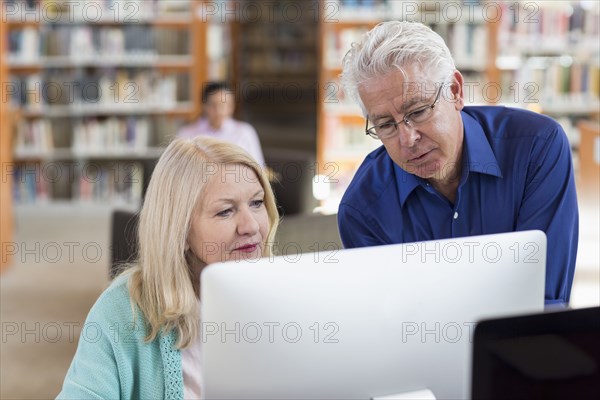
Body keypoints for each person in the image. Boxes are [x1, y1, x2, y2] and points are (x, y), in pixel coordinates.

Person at [337, 21, 578, 306]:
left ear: (455, 91)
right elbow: (389, 326)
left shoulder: (536, 147)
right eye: (386, 125)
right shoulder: (363, 208)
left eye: (418, 111)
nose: (407, 138)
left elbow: (543, 299)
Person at [57, 137, 279, 399]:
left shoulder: (284, 295)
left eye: (256, 203)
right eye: (225, 211)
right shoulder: (119, 312)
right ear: (180, 230)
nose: (251, 226)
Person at [177, 82, 265, 166]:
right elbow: (179, 166)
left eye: (224, 105)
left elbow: (258, 167)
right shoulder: (188, 133)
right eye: (213, 105)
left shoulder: (245, 132)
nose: (219, 111)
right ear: (204, 106)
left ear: (232, 106)